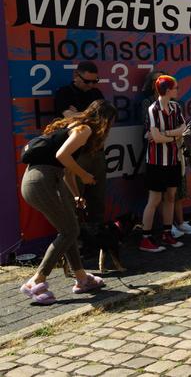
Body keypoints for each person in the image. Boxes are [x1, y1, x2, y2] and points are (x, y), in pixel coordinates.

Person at [19, 100, 117, 304]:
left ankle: (82, 279)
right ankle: (35, 282)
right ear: (104, 120)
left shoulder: (73, 127)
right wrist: (86, 176)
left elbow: (67, 171)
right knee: (70, 231)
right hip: (42, 182)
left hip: (41, 180)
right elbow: (62, 155)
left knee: (70, 226)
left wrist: (75, 195)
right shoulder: (85, 129)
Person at [139, 70, 191, 240]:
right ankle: (146, 238)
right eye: (175, 88)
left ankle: (167, 233)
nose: (178, 90)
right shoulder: (153, 109)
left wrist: (165, 133)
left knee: (171, 196)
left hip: (173, 158)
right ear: (167, 90)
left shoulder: (176, 107)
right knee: (155, 199)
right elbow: (156, 139)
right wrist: (173, 135)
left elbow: (183, 129)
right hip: (156, 161)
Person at [54, 61, 107, 234]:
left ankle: (97, 236)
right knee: (75, 198)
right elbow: (68, 118)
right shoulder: (64, 93)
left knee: (98, 197)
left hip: (97, 151)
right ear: (76, 76)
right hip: (76, 154)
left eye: (95, 81)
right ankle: (76, 239)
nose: (91, 85)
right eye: (87, 81)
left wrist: (78, 114)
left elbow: (103, 120)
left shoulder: (96, 93)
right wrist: (86, 116)